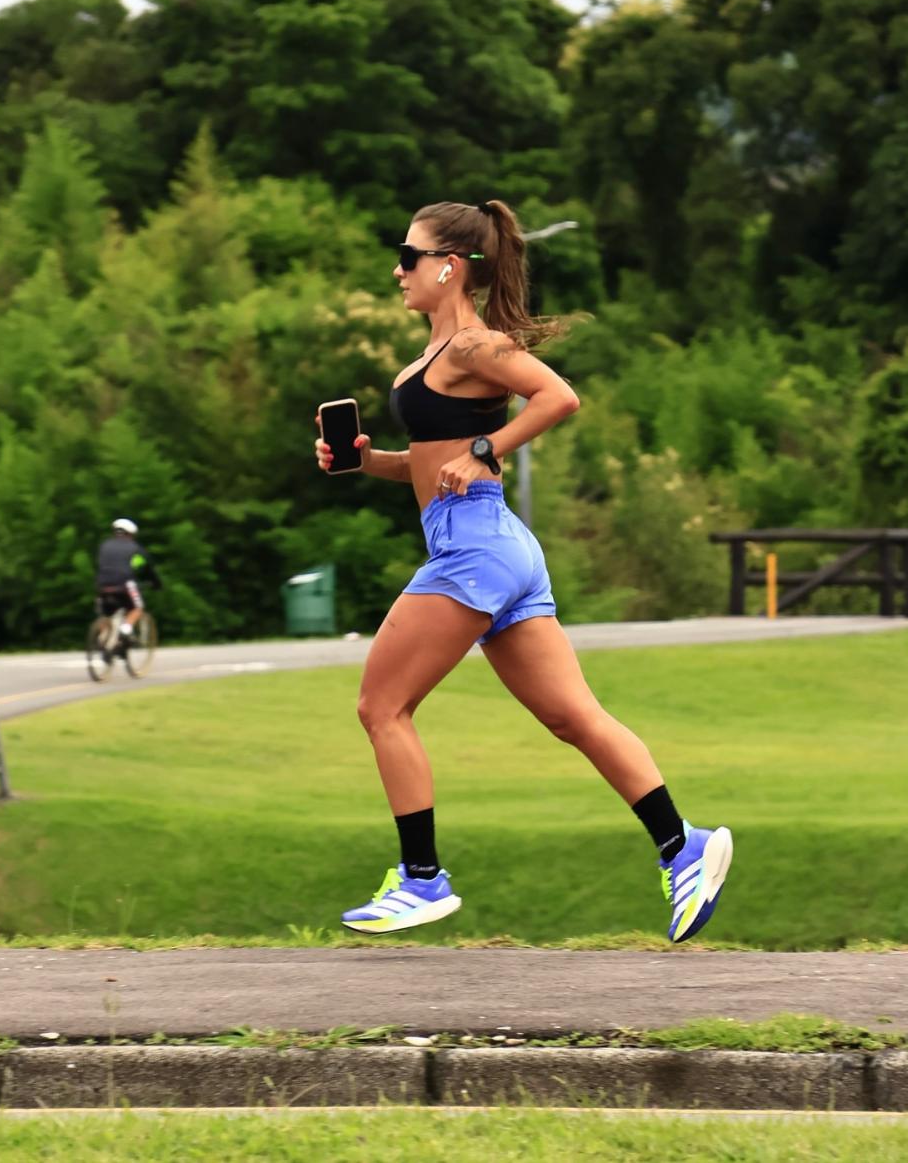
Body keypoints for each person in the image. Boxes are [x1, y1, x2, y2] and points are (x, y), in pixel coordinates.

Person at [314, 200, 732, 943]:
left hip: (475, 554)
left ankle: (421, 879)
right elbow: (430, 462)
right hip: (501, 550)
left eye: (408, 256)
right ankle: (683, 846)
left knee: (382, 706)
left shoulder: (475, 345)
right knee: (574, 717)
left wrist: (489, 447)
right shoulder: (434, 360)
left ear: (448, 266)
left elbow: (559, 396)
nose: (396, 268)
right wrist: (363, 461)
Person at [94, 518, 162, 658]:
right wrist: (155, 583)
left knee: (106, 614)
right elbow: (145, 567)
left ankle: (103, 638)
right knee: (137, 608)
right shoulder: (135, 548)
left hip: (103, 585)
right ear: (131, 534)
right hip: (125, 584)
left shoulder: (104, 546)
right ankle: (125, 630)